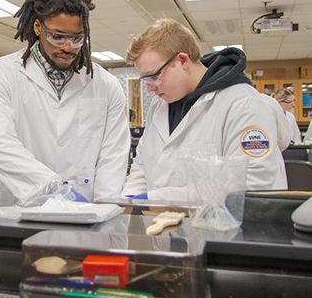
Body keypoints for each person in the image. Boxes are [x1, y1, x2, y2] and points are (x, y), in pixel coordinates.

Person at [0, 0, 130, 207]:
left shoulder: (106, 85)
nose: (67, 47)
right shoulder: (3, 73)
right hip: (22, 208)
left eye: (77, 38)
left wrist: (105, 208)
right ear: (38, 27)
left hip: (87, 210)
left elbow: (113, 155)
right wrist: (55, 189)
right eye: (57, 36)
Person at [122, 19, 287, 201]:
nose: (150, 88)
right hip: (159, 223)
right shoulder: (159, 105)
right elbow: (142, 166)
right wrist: (129, 199)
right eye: (145, 80)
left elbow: (254, 183)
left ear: (182, 60)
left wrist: (158, 198)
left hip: (220, 226)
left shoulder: (242, 103)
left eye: (154, 76)